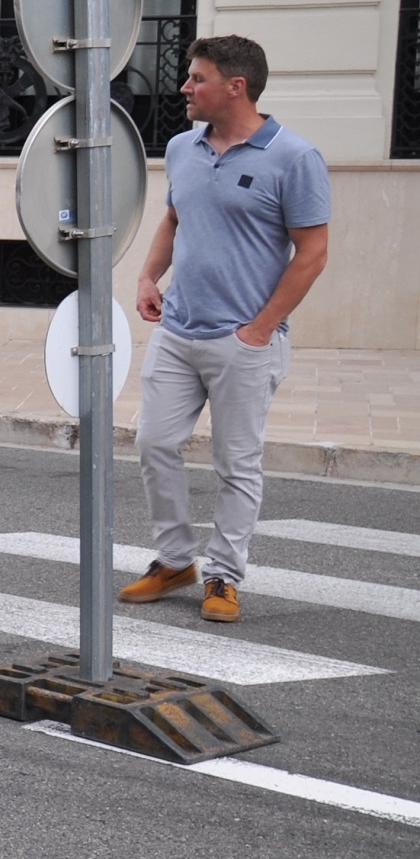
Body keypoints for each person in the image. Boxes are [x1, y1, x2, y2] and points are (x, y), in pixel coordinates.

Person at [119, 35, 330, 624]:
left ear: (236, 87)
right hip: (178, 330)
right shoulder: (184, 147)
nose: (186, 87)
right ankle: (174, 560)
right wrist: (146, 277)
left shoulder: (294, 157)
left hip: (244, 341)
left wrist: (260, 330)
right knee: (153, 443)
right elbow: (173, 216)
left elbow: (313, 252)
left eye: (198, 78)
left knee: (236, 465)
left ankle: (223, 576)